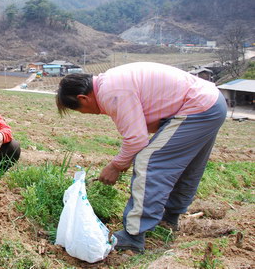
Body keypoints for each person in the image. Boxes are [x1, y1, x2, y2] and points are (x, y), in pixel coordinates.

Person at [56, 62, 227, 253]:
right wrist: (124, 160)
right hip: (212, 104)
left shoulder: (112, 91)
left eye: (80, 110)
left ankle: (133, 236)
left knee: (150, 162)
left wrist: (116, 166)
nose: (85, 114)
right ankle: (169, 219)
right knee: (185, 166)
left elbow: (137, 141)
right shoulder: (112, 81)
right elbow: (149, 123)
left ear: (83, 98)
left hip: (198, 106)